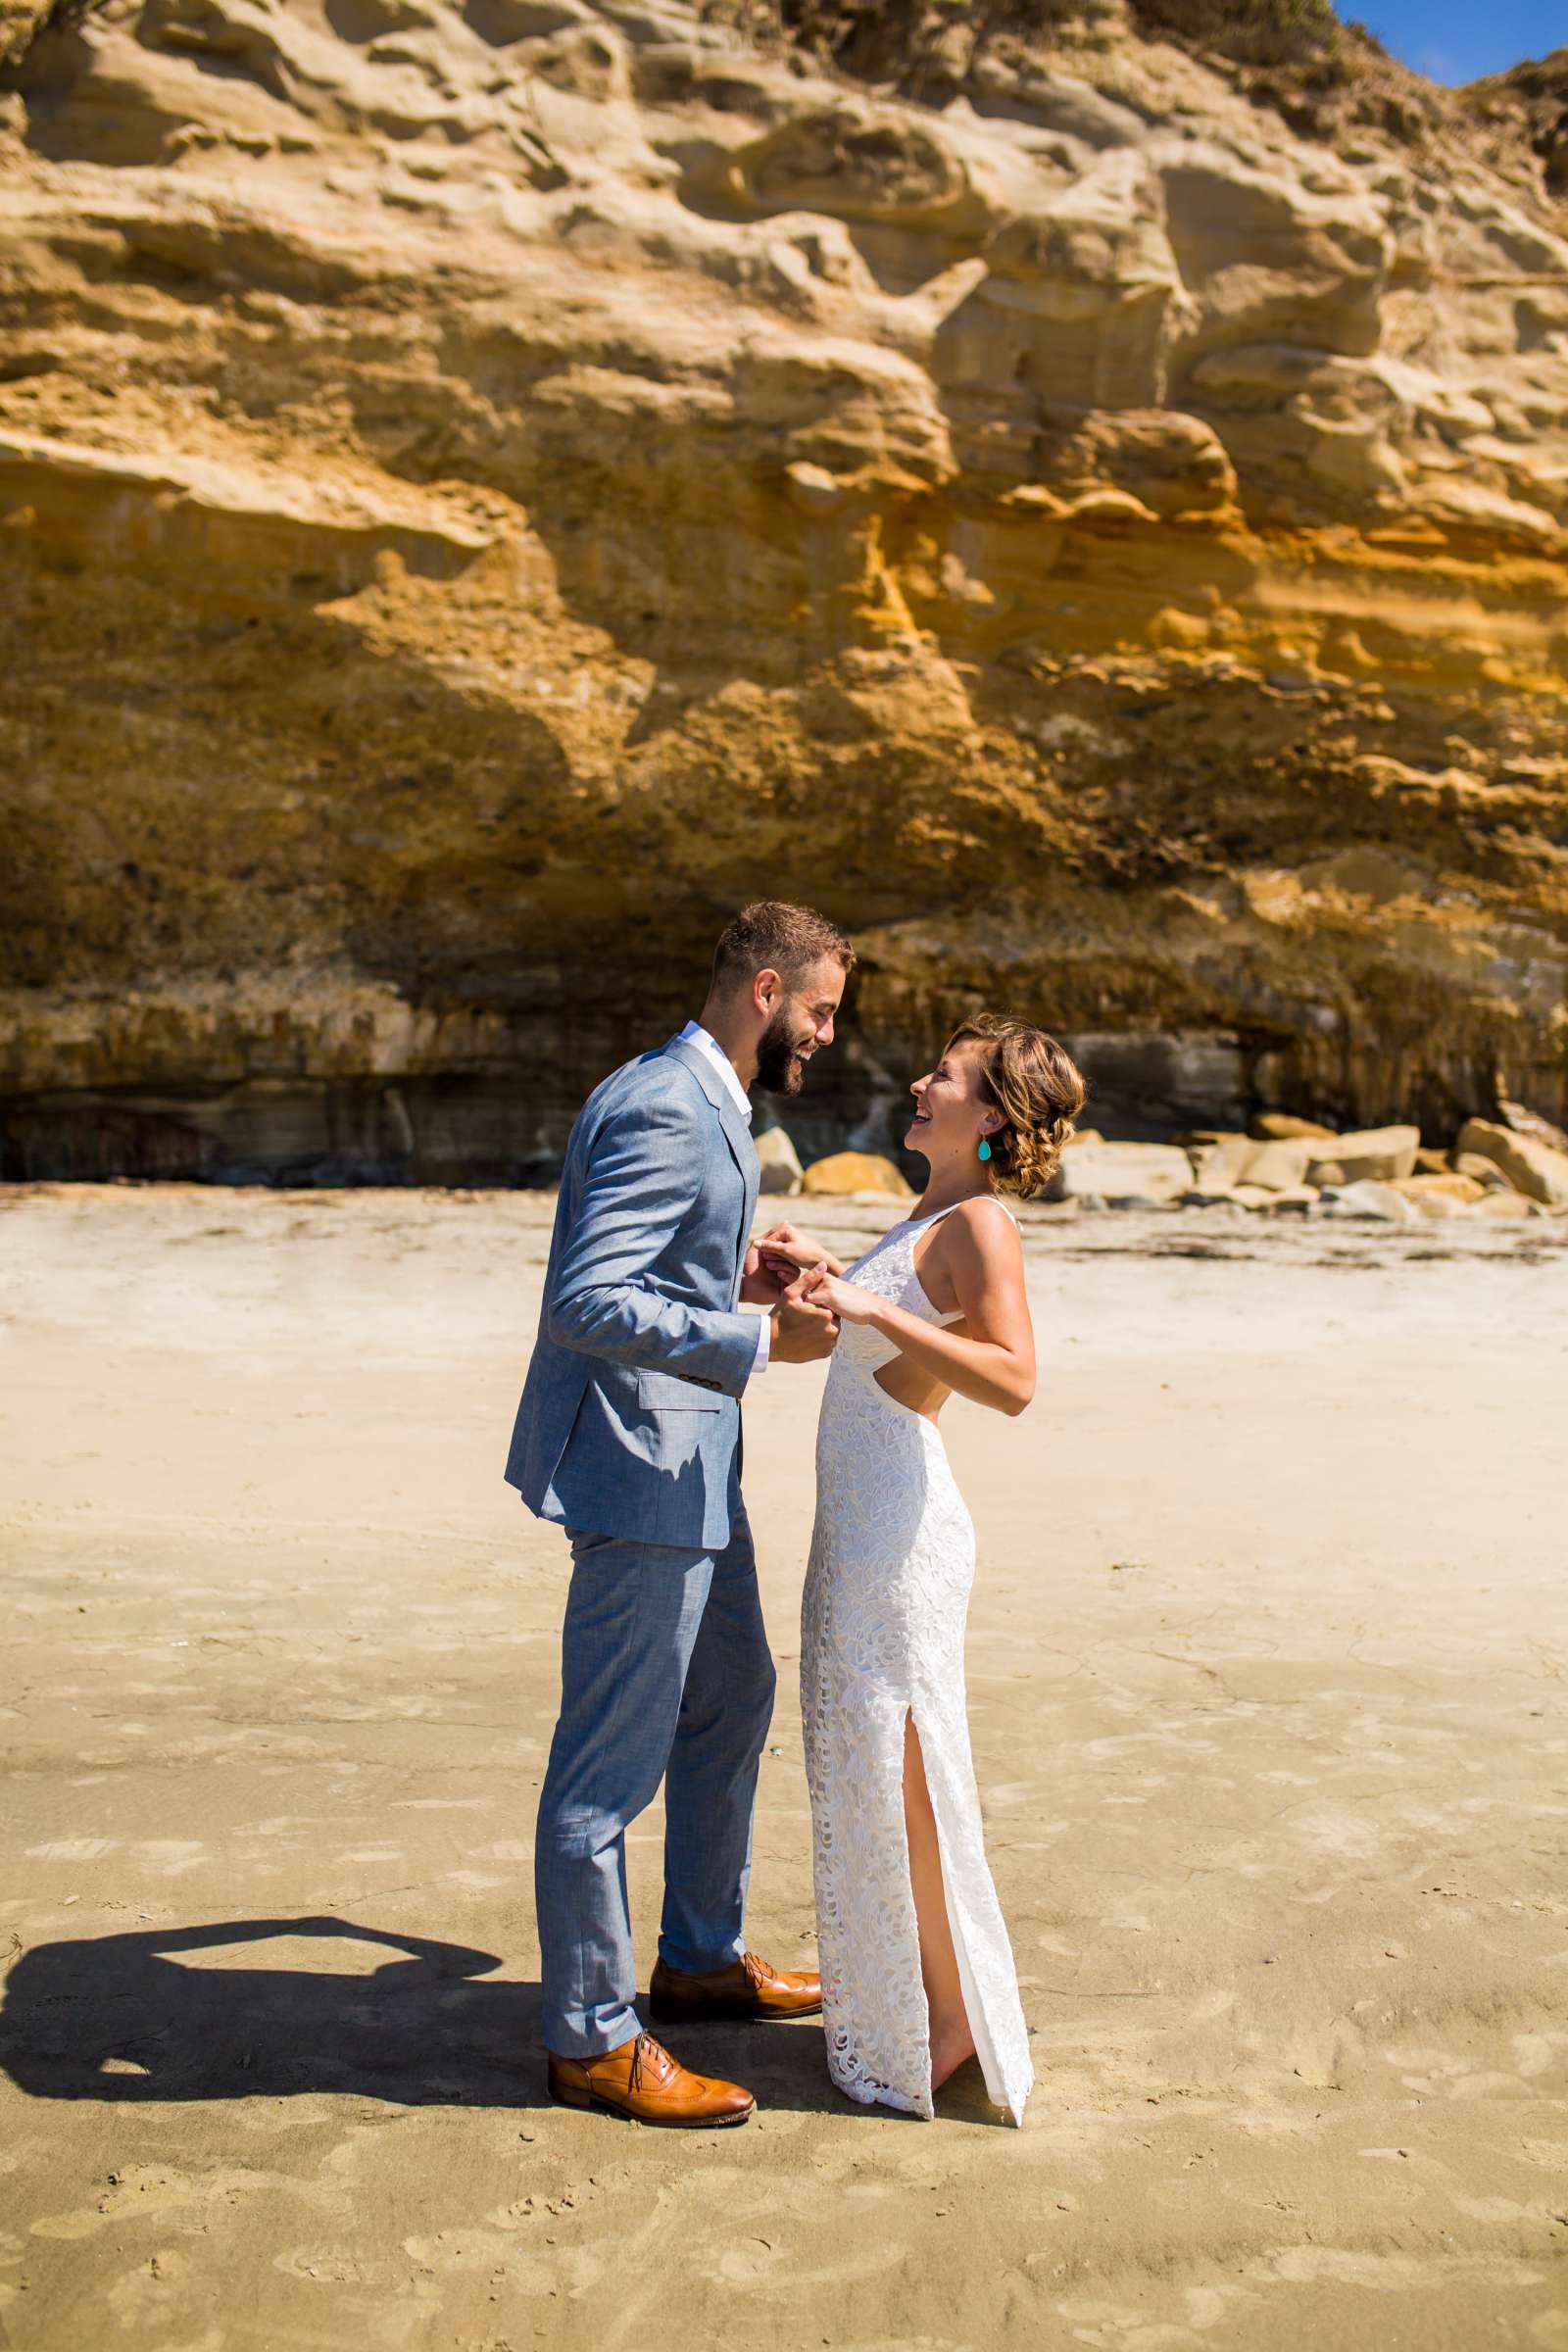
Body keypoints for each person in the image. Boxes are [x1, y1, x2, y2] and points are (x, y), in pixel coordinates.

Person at [504, 902, 854, 2128]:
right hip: (643, 1471)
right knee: (603, 1773)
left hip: (692, 1460)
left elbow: (652, 1266)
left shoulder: (699, 1092)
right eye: (819, 1010)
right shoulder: (663, 1099)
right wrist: (756, 1334)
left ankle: (700, 1960)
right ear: (766, 990)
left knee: (732, 1695)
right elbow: (586, 1297)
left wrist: (731, 1270)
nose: (824, 1033)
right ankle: (593, 2038)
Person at [760, 1012, 1086, 2124]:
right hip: (859, 1521)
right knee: (877, 1777)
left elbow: (1014, 1380)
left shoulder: (983, 1223)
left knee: (911, 1782)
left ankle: (948, 2023)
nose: (917, 1082)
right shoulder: (929, 1215)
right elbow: (874, 1337)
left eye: (941, 1077)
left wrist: (853, 1298)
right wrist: (816, 1278)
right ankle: (918, 2005)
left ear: (991, 1113)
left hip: (901, 1526)